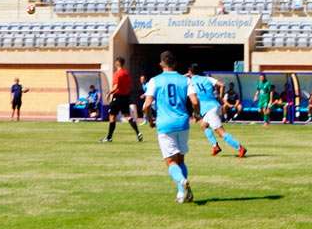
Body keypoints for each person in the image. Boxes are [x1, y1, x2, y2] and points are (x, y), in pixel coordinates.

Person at [143, 51, 199, 204]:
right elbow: (194, 101)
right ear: (175, 64)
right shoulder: (185, 80)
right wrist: (197, 114)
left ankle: (182, 182)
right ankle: (183, 194)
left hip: (165, 124)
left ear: (161, 64)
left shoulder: (155, 81)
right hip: (182, 123)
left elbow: (147, 105)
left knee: (170, 161)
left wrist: (149, 119)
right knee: (180, 159)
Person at [187, 64, 247, 158]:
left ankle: (240, 148)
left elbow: (194, 100)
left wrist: (195, 113)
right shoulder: (207, 78)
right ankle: (215, 147)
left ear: (190, 72)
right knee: (204, 125)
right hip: (215, 106)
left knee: (220, 132)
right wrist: (220, 97)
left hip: (209, 109)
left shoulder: (190, 83)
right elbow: (222, 85)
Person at [100, 57, 142, 143]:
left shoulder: (117, 73)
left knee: (112, 116)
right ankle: (138, 132)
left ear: (117, 63)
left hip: (117, 97)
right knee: (127, 116)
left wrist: (109, 93)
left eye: (116, 62)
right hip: (125, 97)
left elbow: (116, 86)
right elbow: (128, 86)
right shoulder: (126, 73)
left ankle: (109, 137)